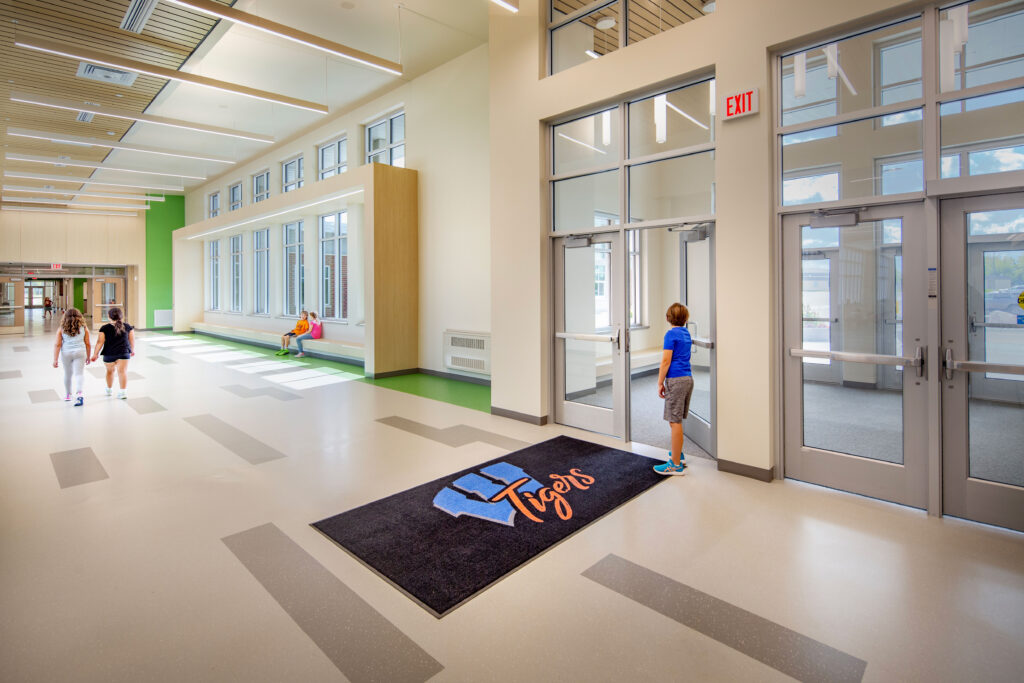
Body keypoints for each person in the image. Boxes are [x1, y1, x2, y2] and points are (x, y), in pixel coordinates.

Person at [654, 303, 694, 476]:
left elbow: (666, 362)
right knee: (677, 418)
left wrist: (660, 382)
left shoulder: (670, 335)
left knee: (674, 421)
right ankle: (679, 455)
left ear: (667, 318)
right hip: (687, 378)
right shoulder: (686, 333)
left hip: (675, 380)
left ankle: (675, 464)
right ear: (685, 319)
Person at [90, 307, 135, 400]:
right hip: (124, 353)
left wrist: (95, 354)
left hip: (109, 354)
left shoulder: (104, 328)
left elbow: (100, 342)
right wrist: (132, 350)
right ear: (121, 316)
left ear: (108, 317)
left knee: (110, 372)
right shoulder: (128, 326)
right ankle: (123, 393)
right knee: (122, 372)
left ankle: (109, 390)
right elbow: (132, 340)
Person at [52, 307, 91, 407]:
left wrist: (55, 359)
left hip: (66, 353)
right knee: (79, 374)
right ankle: (79, 394)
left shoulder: (61, 329)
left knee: (68, 374)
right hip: (80, 352)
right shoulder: (84, 328)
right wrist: (88, 356)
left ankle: (68, 395)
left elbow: (57, 345)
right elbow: (88, 343)